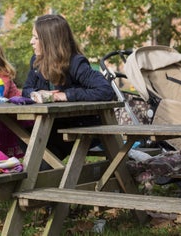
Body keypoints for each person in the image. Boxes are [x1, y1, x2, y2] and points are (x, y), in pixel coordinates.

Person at [22, 14, 114, 164]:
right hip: (53, 125)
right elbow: (26, 89)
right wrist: (37, 94)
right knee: (23, 137)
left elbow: (105, 90)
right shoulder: (36, 61)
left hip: (80, 126)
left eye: (36, 38)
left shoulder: (75, 62)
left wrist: (64, 96)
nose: (31, 42)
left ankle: (46, 179)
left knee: (39, 152)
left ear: (49, 41)